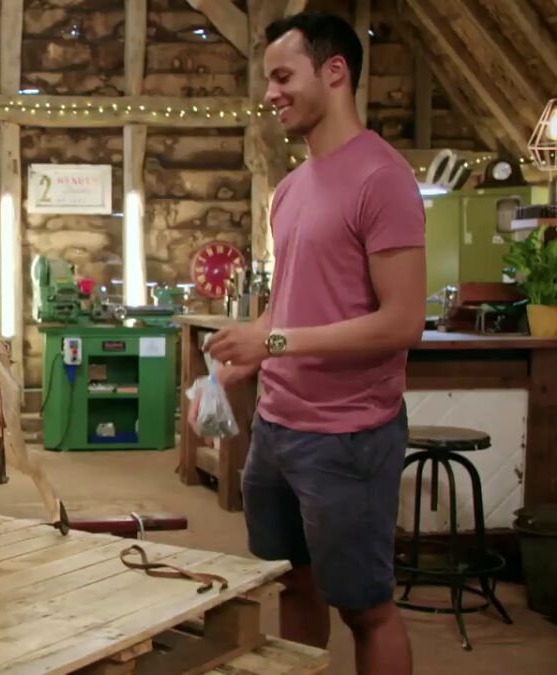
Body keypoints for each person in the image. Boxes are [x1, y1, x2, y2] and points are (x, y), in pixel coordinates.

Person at [198, 11, 425, 675]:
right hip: (276, 428)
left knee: (366, 609)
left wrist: (273, 341)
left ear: (335, 71)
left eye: (282, 76)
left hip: (348, 434)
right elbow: (291, 298)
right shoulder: (291, 189)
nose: (270, 93)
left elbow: (402, 321)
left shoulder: (382, 177)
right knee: (293, 585)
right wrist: (245, 359)